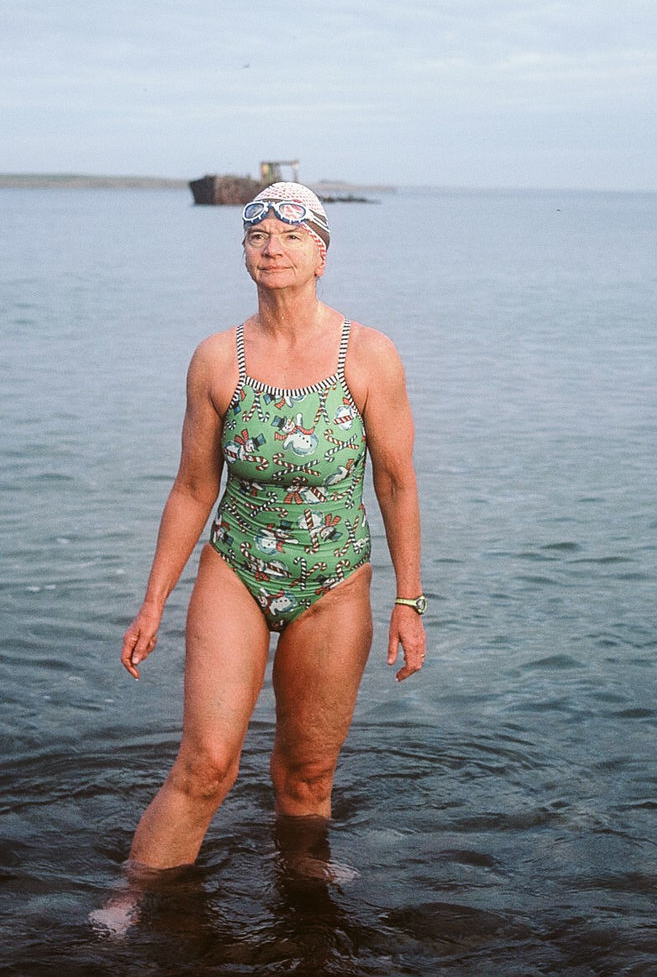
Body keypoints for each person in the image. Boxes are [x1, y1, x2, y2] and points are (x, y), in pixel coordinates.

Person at [117, 181, 426, 874]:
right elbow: (195, 487)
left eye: (292, 237)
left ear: (322, 256)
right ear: (244, 253)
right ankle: (135, 897)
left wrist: (409, 601)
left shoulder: (368, 355)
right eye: (258, 236)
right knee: (206, 765)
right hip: (236, 570)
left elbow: (397, 483)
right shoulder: (217, 359)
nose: (272, 248)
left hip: (335, 582)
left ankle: (303, 897)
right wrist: (152, 601)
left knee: (307, 774)